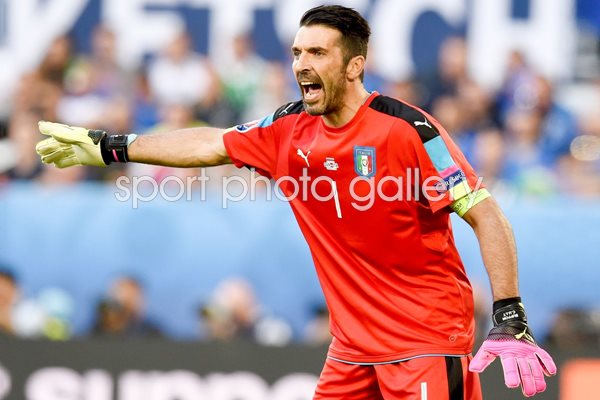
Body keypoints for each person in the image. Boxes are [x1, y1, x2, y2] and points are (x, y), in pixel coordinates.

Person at [35, 5, 556, 398]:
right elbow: (211, 142)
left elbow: (485, 213)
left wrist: (509, 312)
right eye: (297, 53)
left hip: (424, 342)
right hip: (352, 352)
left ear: (354, 66)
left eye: (317, 53)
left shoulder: (409, 130)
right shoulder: (287, 127)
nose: (301, 64)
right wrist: (112, 146)